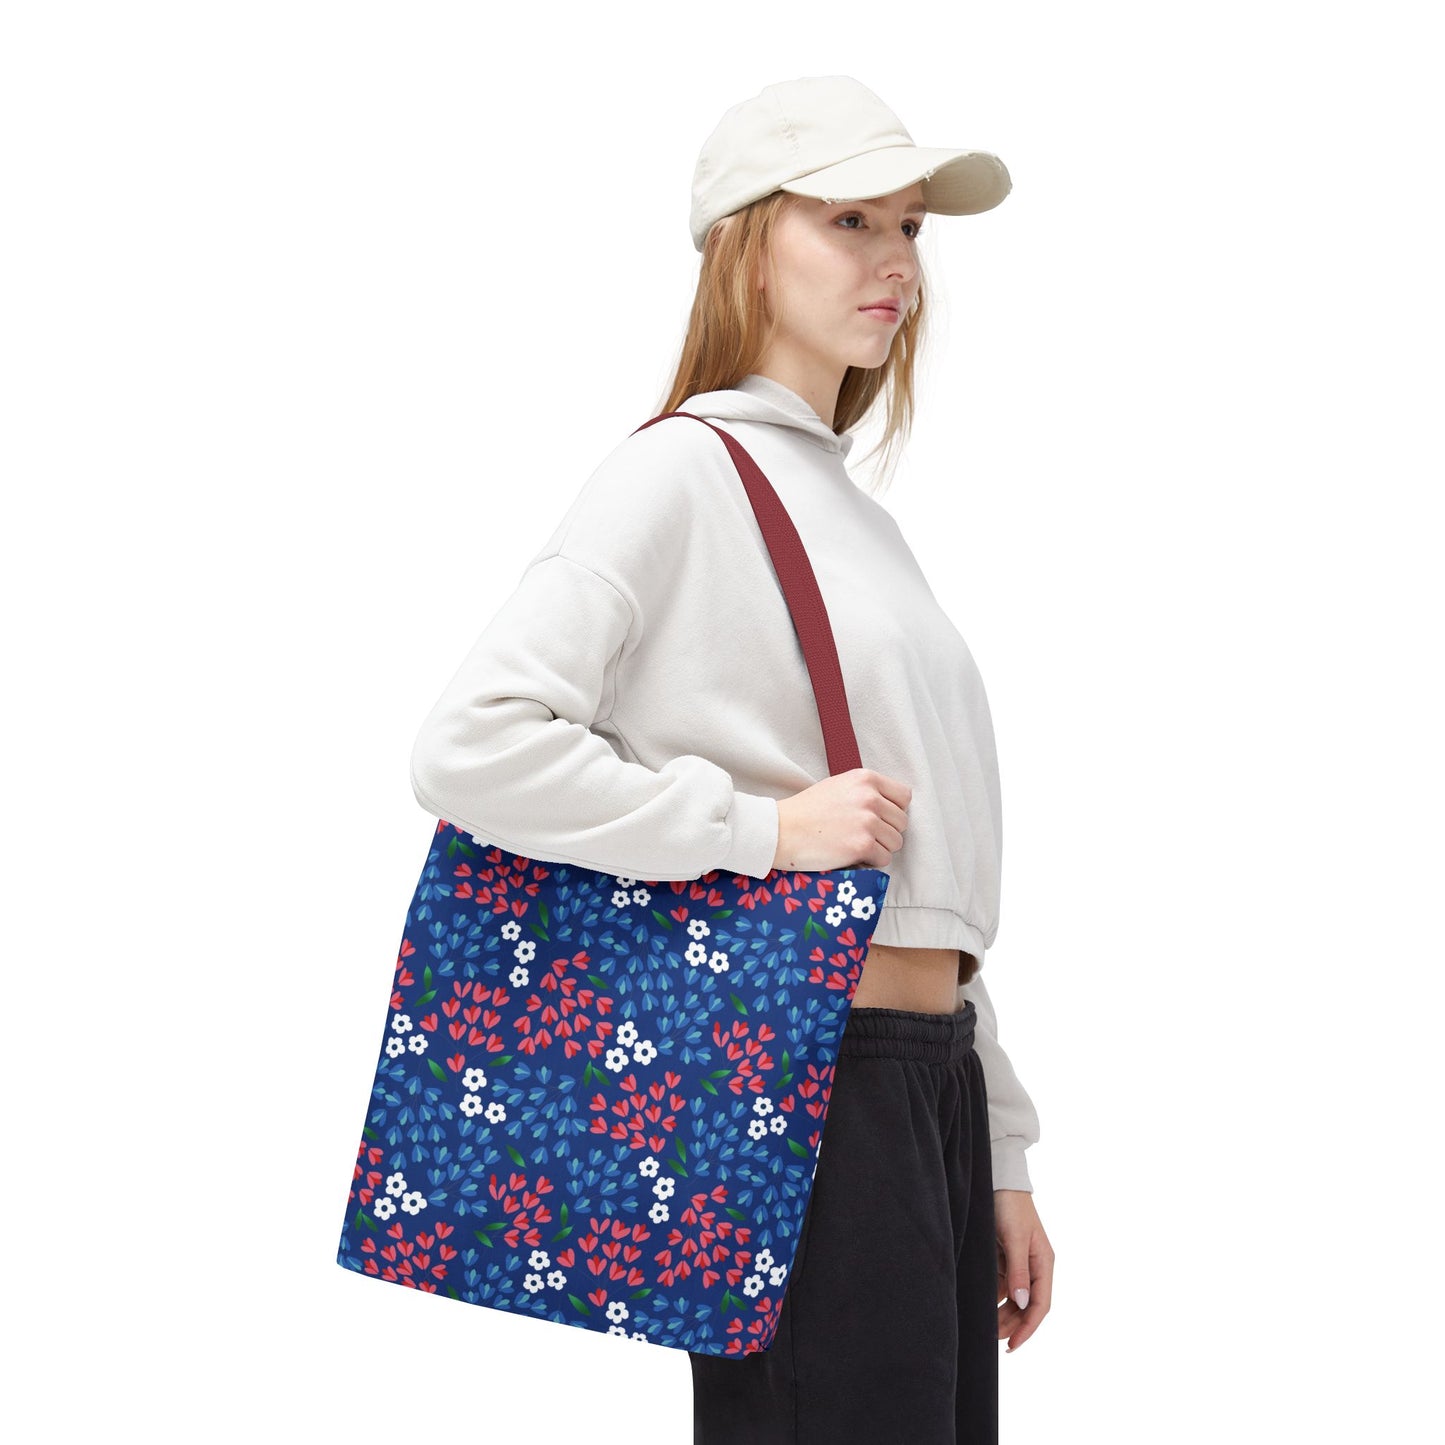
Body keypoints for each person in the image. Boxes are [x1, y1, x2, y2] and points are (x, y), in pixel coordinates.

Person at [408, 74, 1053, 1444]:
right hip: (807, 1078)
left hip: (919, 1079)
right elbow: (471, 746)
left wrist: (997, 1146)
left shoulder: (857, 518)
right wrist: (762, 831)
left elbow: (921, 877)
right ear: (748, 246)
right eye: (850, 220)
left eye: (910, 227)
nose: (896, 258)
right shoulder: (678, 474)